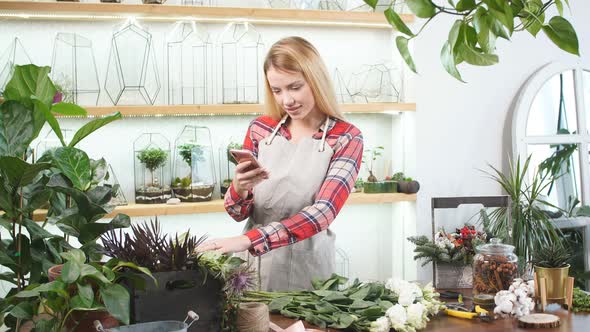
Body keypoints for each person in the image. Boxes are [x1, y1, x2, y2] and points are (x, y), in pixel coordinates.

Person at [197, 36, 363, 291]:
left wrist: (246, 240)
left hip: (308, 269)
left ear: (316, 80)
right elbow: (236, 212)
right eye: (277, 90)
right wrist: (240, 188)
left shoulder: (345, 137)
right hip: (252, 266)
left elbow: (323, 212)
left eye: (295, 87)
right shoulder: (260, 129)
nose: (287, 100)